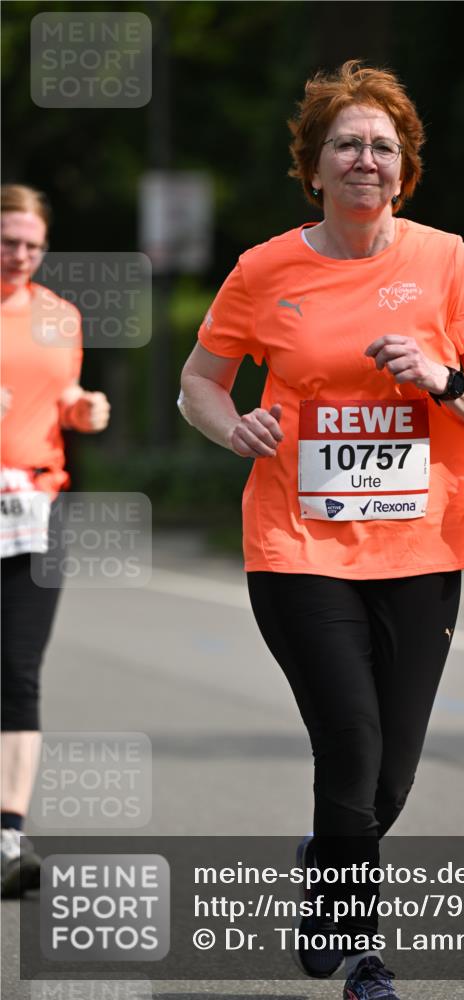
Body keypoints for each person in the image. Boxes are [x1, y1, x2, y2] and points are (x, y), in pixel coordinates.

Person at [179, 61, 464, 1000]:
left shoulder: (447, 262)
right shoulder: (264, 270)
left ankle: (327, 853)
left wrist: (441, 378)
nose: (365, 159)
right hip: (297, 545)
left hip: (422, 547)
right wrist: (233, 424)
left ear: (403, 170)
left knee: (389, 783)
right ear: (314, 166)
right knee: (352, 746)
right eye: (346, 144)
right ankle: (362, 954)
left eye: (383, 146)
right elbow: (197, 384)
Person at [0, 184, 110, 897]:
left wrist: (84, 407)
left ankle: (8, 833)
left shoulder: (59, 317)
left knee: (18, 669)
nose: (20, 255)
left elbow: (62, 395)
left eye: (33, 245)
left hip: (32, 505)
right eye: (9, 241)